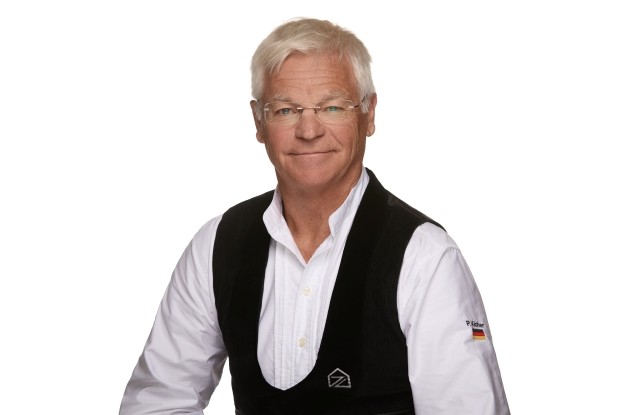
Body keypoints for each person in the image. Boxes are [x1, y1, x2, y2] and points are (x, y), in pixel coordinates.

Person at [119, 17, 510, 415]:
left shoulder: (424, 257)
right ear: (259, 122)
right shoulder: (217, 245)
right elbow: (157, 402)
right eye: (286, 110)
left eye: (332, 106)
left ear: (369, 114)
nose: (309, 130)